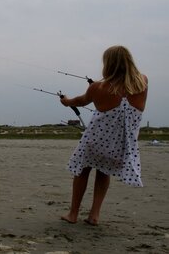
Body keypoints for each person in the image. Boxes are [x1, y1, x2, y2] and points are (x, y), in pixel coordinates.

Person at [59, 45, 148, 226]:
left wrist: (66, 101)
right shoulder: (143, 82)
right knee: (103, 172)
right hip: (120, 144)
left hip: (95, 140)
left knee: (83, 171)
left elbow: (80, 101)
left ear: (108, 63)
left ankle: (73, 213)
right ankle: (94, 215)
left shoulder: (98, 87)